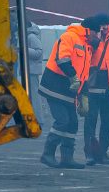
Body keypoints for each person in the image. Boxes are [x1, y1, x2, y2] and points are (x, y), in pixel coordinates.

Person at [38, 16, 102, 169]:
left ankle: (67, 158)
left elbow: (84, 74)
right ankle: (48, 154)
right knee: (63, 121)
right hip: (54, 87)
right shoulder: (69, 37)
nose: (98, 37)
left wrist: (83, 95)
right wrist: (73, 76)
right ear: (89, 30)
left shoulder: (87, 46)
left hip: (69, 91)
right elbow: (62, 59)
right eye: (97, 33)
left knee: (72, 123)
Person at [83, 17, 109, 166]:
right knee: (91, 120)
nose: (104, 28)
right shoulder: (90, 37)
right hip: (94, 84)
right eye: (101, 25)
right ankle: (89, 152)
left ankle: (102, 152)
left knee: (108, 122)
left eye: (106, 25)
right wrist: (96, 40)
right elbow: (86, 56)